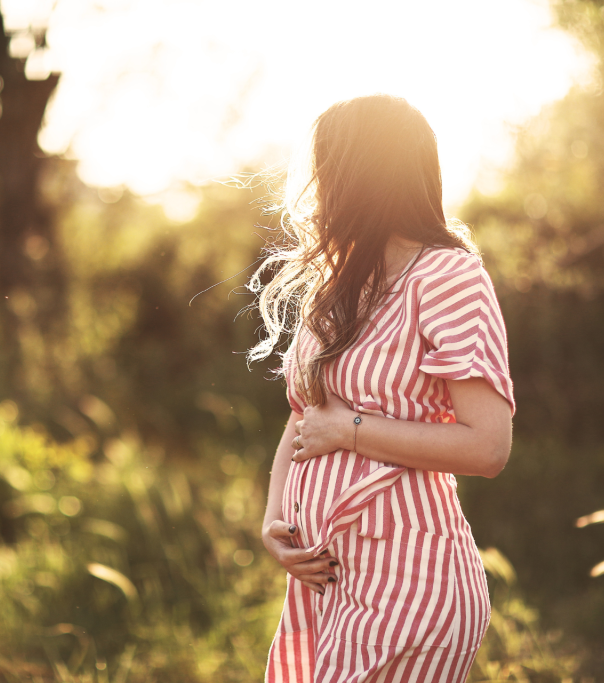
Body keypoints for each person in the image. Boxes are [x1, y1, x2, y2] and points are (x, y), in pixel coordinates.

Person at [248, 95, 514, 683]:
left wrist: (352, 429)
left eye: (328, 168)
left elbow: (488, 448)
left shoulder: (446, 275)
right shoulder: (340, 287)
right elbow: (302, 419)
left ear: (361, 175)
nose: (317, 188)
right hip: (333, 584)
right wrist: (274, 520)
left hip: (410, 582)